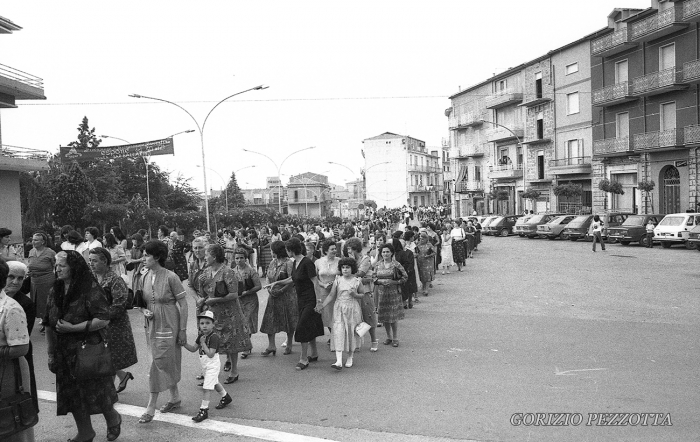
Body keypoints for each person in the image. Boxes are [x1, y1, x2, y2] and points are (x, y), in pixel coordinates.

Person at [44, 251, 121, 442]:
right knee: (73, 394)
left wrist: (73, 328)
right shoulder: (56, 289)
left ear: (74, 266)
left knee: (97, 392)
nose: (57, 268)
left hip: (88, 349)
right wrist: (50, 352)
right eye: (56, 264)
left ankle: (112, 418)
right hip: (64, 352)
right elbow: (48, 323)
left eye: (62, 265)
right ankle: (86, 432)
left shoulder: (90, 288)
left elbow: (103, 319)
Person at [134, 241, 188, 424]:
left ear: (157, 257)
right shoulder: (144, 277)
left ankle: (151, 406)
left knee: (158, 362)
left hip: (169, 323)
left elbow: (184, 304)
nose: (143, 258)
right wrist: (144, 311)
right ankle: (175, 397)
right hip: (151, 324)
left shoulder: (171, 277)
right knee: (160, 360)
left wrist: (182, 330)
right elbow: (141, 303)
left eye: (147, 255)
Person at [198, 244, 251, 384]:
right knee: (211, 341)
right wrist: (201, 291)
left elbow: (234, 294)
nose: (205, 257)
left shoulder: (227, 272)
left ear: (214, 257)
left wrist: (214, 300)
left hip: (229, 313)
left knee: (231, 342)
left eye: (207, 254)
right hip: (213, 314)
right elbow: (204, 292)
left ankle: (234, 371)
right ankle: (209, 371)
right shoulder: (207, 271)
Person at [88, 248, 138, 395]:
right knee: (104, 357)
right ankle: (122, 377)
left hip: (114, 325)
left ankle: (108, 393)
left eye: (95, 260)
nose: (91, 263)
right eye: (90, 260)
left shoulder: (115, 280)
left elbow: (119, 305)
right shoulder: (92, 278)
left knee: (108, 357)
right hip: (97, 324)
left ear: (105, 261)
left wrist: (100, 318)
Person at [269, 237, 324, 371]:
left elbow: (315, 282)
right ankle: (314, 353)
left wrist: (319, 302)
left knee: (302, 327)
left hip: (310, 299)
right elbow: (293, 279)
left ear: (290, 250)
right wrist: (277, 283)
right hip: (301, 299)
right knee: (309, 325)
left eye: (287, 250)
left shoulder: (307, 262)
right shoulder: (295, 263)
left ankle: (303, 359)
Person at [1, 259, 36, 442]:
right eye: (11, 277)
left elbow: (21, 345)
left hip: (12, 365)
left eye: (20, 278)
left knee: (15, 411)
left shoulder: (20, 305)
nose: (15, 282)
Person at [182, 310, 233, 423]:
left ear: (213, 324)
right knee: (214, 383)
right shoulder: (201, 336)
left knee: (206, 388)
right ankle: (226, 397)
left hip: (212, 364)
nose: (204, 326)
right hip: (205, 365)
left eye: (207, 323)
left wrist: (203, 343)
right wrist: (184, 343)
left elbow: (210, 354)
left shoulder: (214, 337)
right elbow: (193, 349)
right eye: (202, 323)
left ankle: (203, 410)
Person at [316, 257, 364, 370]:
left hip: (352, 309)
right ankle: (338, 360)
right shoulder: (337, 280)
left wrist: (355, 295)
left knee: (351, 332)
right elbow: (332, 295)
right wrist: (322, 305)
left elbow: (362, 294)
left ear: (352, 268)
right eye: (343, 267)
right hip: (339, 309)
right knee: (338, 331)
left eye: (348, 267)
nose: (345, 270)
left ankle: (350, 356)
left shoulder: (357, 281)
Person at [260, 240, 298, 355]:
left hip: (287, 295)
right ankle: (271, 346)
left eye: (272, 250)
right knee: (269, 320)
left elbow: (292, 280)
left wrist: (281, 290)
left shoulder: (289, 263)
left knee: (288, 320)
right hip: (273, 295)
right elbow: (268, 276)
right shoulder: (273, 262)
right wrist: (269, 289)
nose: (271, 252)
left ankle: (289, 343)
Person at [344, 238, 379, 351]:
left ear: (356, 249)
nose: (349, 252)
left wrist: (352, 269)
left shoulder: (365, 259)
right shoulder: (349, 260)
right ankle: (356, 342)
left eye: (350, 250)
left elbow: (359, 273)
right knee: (354, 317)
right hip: (352, 291)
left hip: (365, 291)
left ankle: (374, 340)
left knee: (368, 315)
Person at [372, 244, 408, 347]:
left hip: (394, 293)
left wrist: (394, 282)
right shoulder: (378, 265)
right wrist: (381, 282)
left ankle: (395, 337)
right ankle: (388, 337)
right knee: (384, 316)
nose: (385, 254)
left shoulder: (396, 264)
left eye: (387, 252)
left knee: (393, 317)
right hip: (382, 293)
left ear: (392, 253)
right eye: (383, 252)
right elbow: (373, 278)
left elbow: (405, 277)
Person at [232, 248, 261, 359]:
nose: (239, 260)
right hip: (237, 301)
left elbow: (258, 286)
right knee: (239, 323)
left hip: (250, 300)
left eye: (241, 258)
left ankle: (246, 346)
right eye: (237, 258)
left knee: (247, 322)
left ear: (246, 259)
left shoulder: (251, 271)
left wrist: (246, 292)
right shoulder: (232, 271)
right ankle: (245, 344)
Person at [27, 232, 56, 334]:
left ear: (43, 242)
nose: (33, 242)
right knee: (36, 302)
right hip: (34, 281)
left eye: (36, 240)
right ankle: (44, 320)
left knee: (46, 302)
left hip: (47, 281)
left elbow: (56, 267)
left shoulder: (50, 252)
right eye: (33, 240)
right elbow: (30, 264)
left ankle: (47, 323)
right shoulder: (31, 252)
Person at [314, 240, 341, 341]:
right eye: (332, 249)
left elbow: (344, 275)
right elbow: (315, 278)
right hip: (323, 291)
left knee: (337, 314)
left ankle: (336, 336)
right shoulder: (318, 262)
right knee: (327, 314)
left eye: (335, 249)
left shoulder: (339, 261)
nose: (335, 251)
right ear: (326, 251)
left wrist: (335, 283)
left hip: (337, 291)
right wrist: (323, 284)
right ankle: (333, 334)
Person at [393, 239, 417, 308]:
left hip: (408, 271)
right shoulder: (393, 253)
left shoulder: (408, 252)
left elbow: (409, 263)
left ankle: (409, 300)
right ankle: (403, 302)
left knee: (410, 288)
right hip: (399, 273)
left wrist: (406, 271)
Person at [415, 232, 436, 296]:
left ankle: (426, 289)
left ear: (426, 239)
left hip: (428, 262)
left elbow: (434, 252)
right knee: (422, 275)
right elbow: (416, 252)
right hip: (420, 262)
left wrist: (429, 255)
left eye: (422, 239)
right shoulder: (418, 245)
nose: (421, 240)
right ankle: (423, 286)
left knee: (428, 275)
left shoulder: (429, 245)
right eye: (420, 239)